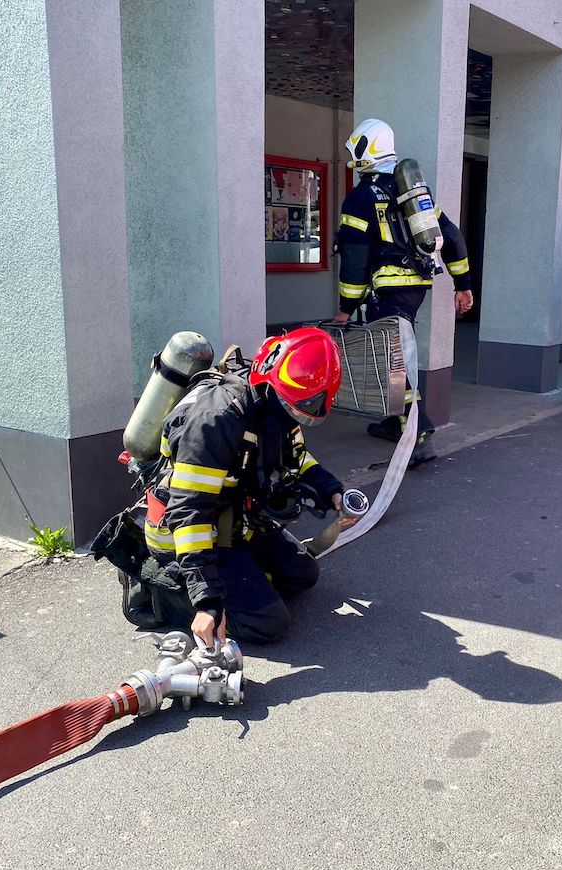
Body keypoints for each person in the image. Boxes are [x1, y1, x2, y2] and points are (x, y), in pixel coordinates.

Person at [140, 327, 354, 646]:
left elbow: (295, 456)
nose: (295, 419)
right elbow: (189, 513)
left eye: (303, 415)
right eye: (292, 409)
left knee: (303, 574)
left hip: (234, 522)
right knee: (267, 623)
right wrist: (206, 600)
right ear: (270, 382)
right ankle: (156, 592)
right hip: (185, 535)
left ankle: (241, 583)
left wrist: (330, 489)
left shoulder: (274, 408)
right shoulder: (214, 421)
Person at [332, 117, 475, 467]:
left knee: (394, 362)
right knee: (394, 355)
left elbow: (355, 257)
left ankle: (419, 434)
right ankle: (394, 423)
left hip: (387, 289)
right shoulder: (413, 193)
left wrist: (346, 307)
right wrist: (464, 285)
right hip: (417, 284)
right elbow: (452, 237)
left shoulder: (361, 197)